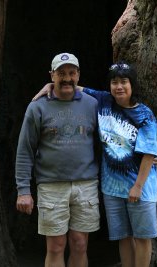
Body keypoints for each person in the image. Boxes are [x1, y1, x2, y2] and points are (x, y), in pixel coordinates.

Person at [37, 61, 157, 267]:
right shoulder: (103, 101)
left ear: (133, 85)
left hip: (140, 187)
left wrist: (138, 186)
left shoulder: (144, 114)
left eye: (124, 82)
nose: (119, 87)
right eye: (114, 82)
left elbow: (148, 153)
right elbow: (74, 86)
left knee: (142, 236)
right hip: (112, 187)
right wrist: (50, 86)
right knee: (123, 236)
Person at [15, 52, 100, 267]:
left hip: (86, 184)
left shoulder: (93, 104)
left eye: (72, 73)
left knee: (80, 243)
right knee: (56, 246)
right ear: (51, 75)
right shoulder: (37, 107)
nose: (67, 78)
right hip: (51, 186)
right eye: (61, 73)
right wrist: (23, 190)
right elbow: (25, 149)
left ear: (78, 75)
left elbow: (121, 109)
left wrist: (146, 154)